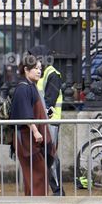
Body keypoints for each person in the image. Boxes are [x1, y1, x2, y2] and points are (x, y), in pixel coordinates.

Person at [10, 54, 58, 196]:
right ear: (26, 69)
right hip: (26, 139)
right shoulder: (23, 88)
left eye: (40, 68)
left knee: (35, 175)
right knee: (38, 174)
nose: (39, 71)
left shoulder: (31, 86)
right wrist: (36, 131)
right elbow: (25, 113)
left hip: (30, 139)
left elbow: (32, 110)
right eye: (35, 68)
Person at [35, 51, 64, 193]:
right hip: (42, 121)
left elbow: (49, 102)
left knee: (51, 156)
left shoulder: (52, 74)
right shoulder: (40, 74)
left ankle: (58, 191)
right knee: (46, 156)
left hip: (50, 122)